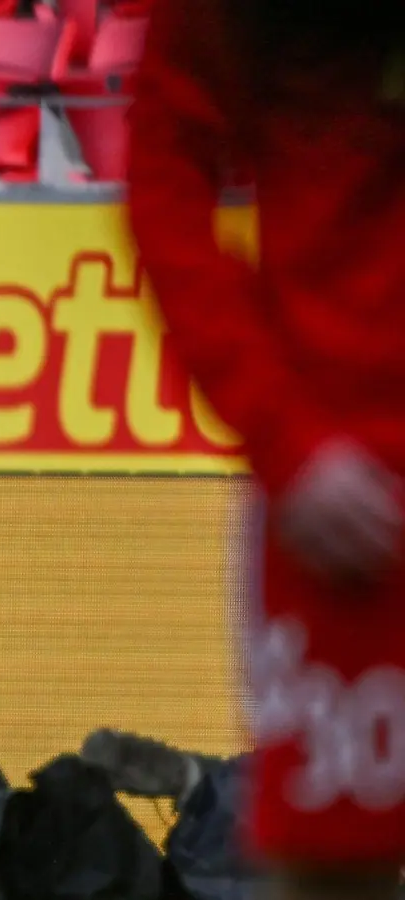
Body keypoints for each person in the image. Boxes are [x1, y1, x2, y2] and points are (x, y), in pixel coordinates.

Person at [127, 2, 405, 900]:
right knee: (334, 875)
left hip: (335, 486)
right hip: (344, 507)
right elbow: (164, 175)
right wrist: (284, 438)